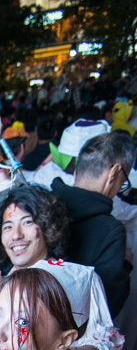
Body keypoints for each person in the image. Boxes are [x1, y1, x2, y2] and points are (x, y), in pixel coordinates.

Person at [0, 184, 124, 350]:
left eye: (27, 222)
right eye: (7, 226)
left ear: (47, 226)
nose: (16, 235)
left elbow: (106, 345)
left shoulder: (78, 279)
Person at [51, 131, 135, 316]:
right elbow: (107, 306)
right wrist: (125, 265)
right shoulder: (110, 231)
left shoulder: (43, 205)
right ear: (114, 173)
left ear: (76, 171)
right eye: (124, 181)